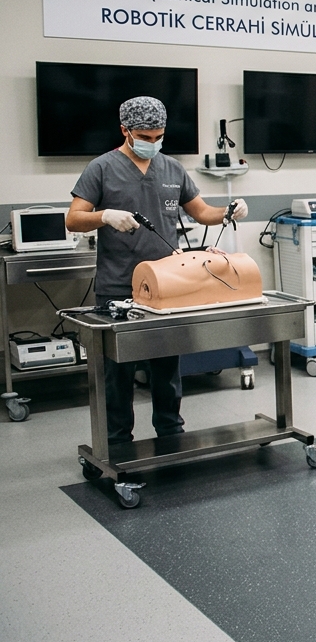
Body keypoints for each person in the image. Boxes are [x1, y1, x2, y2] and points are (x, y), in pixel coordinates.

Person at [65, 96, 248, 444]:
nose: (152, 143)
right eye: (145, 137)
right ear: (125, 131)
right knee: (118, 373)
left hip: (166, 285)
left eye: (158, 137)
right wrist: (104, 216)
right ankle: (117, 443)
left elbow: (202, 212)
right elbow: (73, 219)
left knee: (166, 368)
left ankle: (170, 434)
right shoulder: (101, 168)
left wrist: (230, 210)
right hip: (118, 286)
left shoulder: (172, 169)